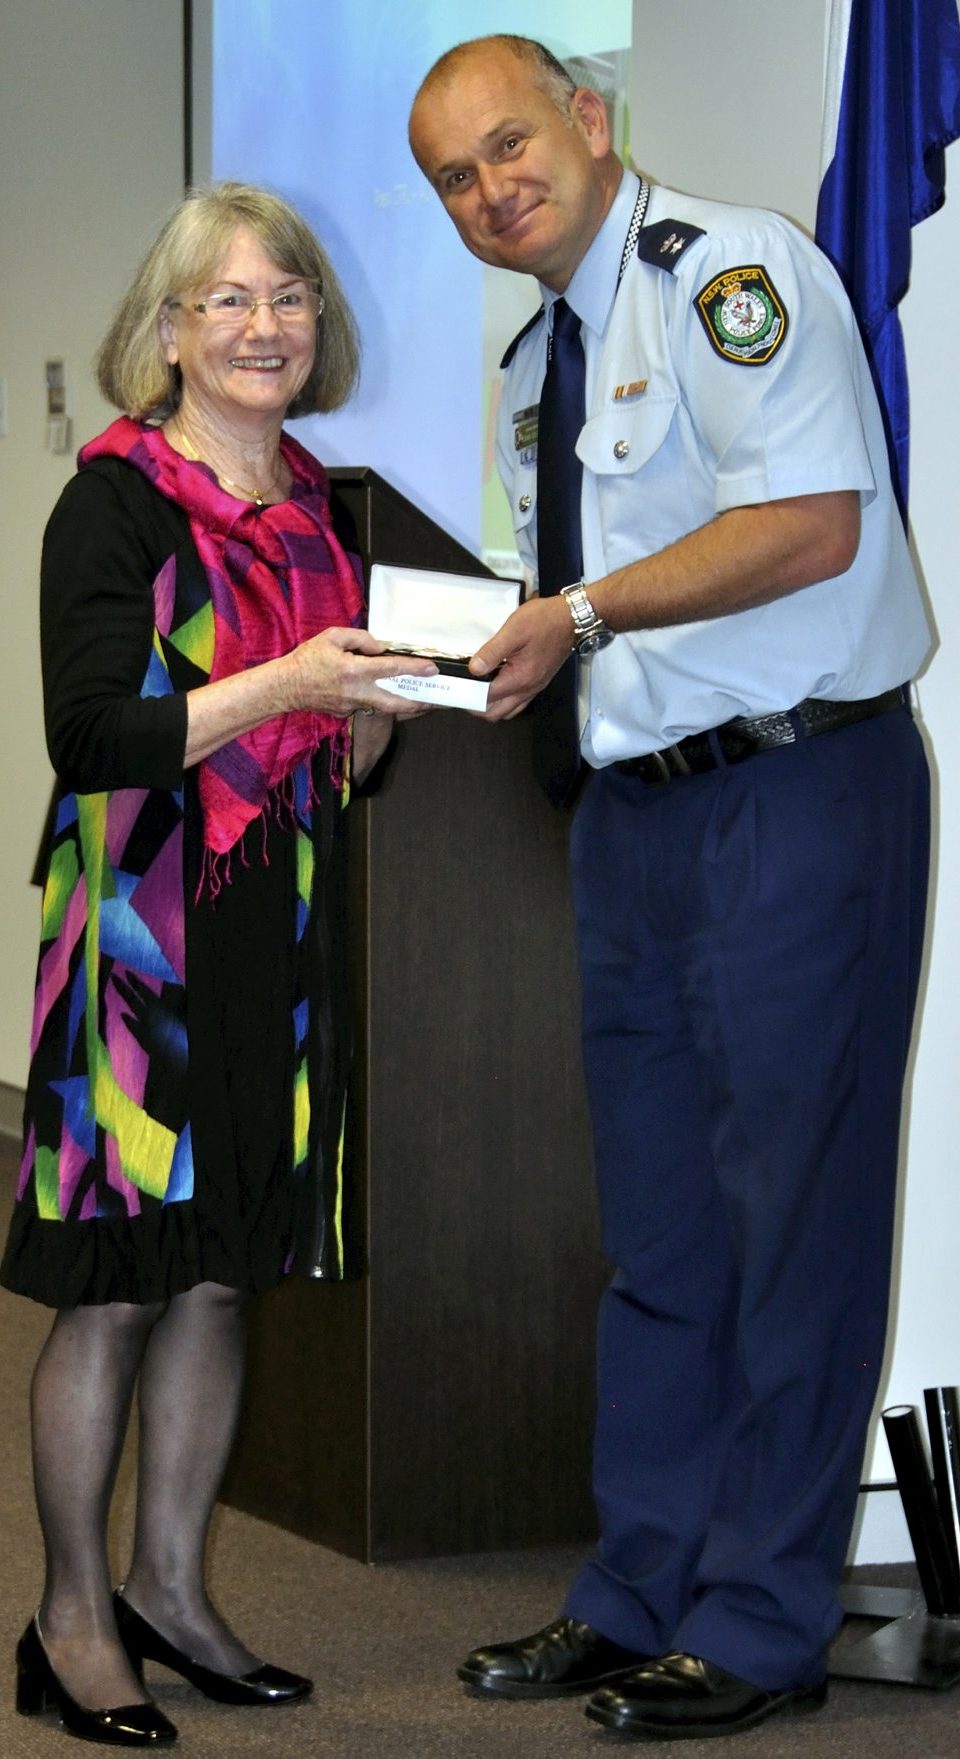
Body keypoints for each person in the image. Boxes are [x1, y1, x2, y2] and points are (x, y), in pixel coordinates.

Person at [409, 34, 932, 1743]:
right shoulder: (528, 363)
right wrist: (447, 664)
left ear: (590, 117)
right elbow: (558, 596)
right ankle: (640, 1589)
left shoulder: (731, 274)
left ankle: (764, 1618)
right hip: (635, 820)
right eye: (457, 179)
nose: (495, 190)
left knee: (796, 1224)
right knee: (660, 1234)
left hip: (796, 794)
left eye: (511, 144)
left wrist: (582, 615)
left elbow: (813, 525)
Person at [3, 181, 434, 1748]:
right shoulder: (116, 499)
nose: (266, 327)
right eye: (230, 301)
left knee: (217, 1276)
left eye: (290, 298)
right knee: (118, 1288)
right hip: (142, 941)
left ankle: (171, 1594)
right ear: (169, 332)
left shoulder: (321, 505)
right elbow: (94, 736)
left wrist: (365, 719)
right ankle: (66, 1621)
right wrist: (285, 685)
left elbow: (323, 760)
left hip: (275, 936)